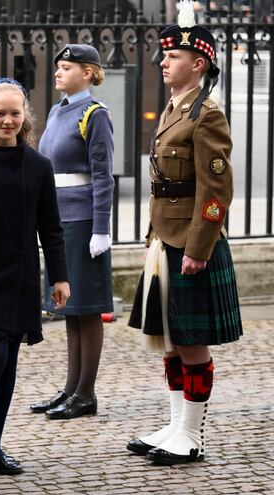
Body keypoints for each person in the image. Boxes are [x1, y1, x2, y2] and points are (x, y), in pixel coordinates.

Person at [126, 0, 242, 465]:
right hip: (166, 240)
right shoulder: (176, 109)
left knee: (191, 342)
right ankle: (175, 426)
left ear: (198, 63)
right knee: (171, 339)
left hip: (191, 245)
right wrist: (154, 236)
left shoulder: (206, 114)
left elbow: (216, 190)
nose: (163, 62)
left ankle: (191, 436)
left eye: (171, 56)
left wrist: (198, 248)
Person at [0, 78, 70, 475]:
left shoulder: (38, 165)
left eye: (14, 113)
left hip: (21, 275)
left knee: (9, 362)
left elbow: (51, 226)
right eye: (0, 113)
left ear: (25, 117)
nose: (7, 120)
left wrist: (60, 276)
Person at [31, 43, 115, 420]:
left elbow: (103, 177)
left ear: (88, 72)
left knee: (88, 309)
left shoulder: (95, 114)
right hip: (61, 218)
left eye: (67, 67)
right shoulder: (56, 111)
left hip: (83, 221)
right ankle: (70, 388)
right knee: (71, 309)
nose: (59, 72)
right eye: (58, 66)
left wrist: (101, 228)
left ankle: (86, 393)